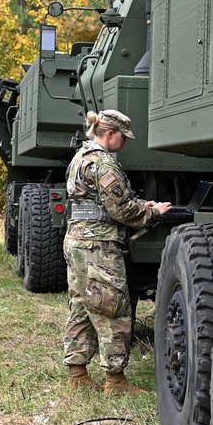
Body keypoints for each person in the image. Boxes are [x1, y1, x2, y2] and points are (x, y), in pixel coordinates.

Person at [62, 109, 171, 395]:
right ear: (110, 133)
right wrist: (152, 212)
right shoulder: (104, 163)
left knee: (82, 306)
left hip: (77, 240)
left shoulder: (81, 157)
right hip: (97, 245)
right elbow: (120, 210)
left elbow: (101, 200)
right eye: (123, 137)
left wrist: (140, 203)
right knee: (114, 307)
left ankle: (77, 373)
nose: (125, 143)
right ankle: (116, 380)